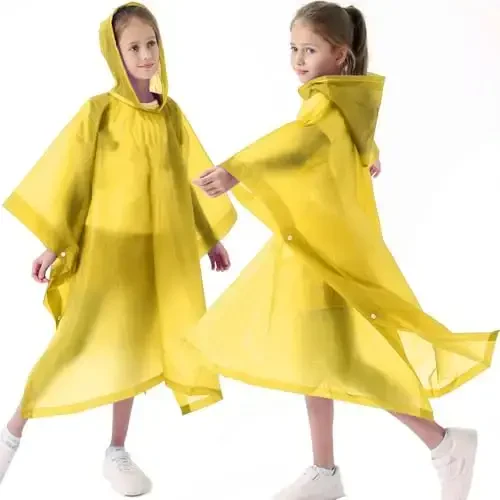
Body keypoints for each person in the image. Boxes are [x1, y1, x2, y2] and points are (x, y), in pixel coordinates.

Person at [189, 2, 497, 499]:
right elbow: (336, 145)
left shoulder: (325, 105)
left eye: (309, 50)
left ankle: (442, 443)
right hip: (316, 250)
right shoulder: (344, 103)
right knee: (316, 356)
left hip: (323, 255)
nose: (298, 59)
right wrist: (369, 153)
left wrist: (235, 169)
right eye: (293, 49)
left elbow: (300, 142)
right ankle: (325, 470)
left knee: (345, 359)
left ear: (341, 55)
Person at [0, 2, 236, 496]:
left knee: (133, 343)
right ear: (116, 53)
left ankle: (117, 450)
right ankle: (12, 432)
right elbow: (74, 181)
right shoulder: (99, 112)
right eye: (134, 47)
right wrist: (53, 245)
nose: (146, 55)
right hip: (108, 250)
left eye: (152, 44)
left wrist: (210, 236)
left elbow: (187, 182)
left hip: (155, 252)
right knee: (75, 339)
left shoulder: (172, 115)